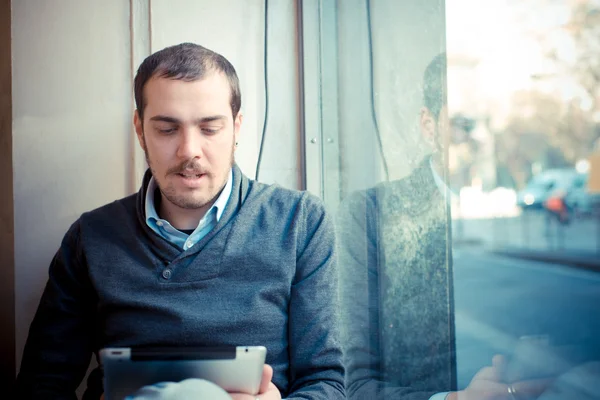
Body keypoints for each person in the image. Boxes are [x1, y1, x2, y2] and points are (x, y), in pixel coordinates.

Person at [15, 42, 345, 400]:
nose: (189, 150)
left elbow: (325, 381)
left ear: (236, 128)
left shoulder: (300, 223)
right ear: (140, 130)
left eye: (209, 128)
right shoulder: (91, 237)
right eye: (167, 130)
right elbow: (40, 386)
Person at [337, 53, 551, 400]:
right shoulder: (369, 215)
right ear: (428, 126)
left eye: (489, 123)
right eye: (464, 123)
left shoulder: (529, 211)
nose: (481, 137)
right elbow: (350, 383)